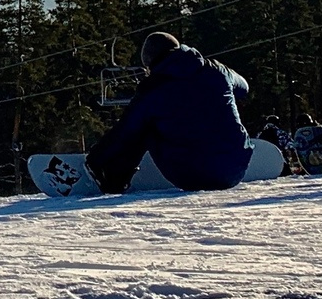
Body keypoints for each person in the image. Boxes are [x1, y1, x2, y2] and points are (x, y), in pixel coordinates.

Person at [87, 33, 257, 193]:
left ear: (150, 61)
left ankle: (115, 179)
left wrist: (96, 158)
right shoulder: (217, 69)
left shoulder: (152, 88)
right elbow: (244, 88)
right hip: (237, 167)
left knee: (144, 126)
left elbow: (124, 131)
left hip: (191, 176)